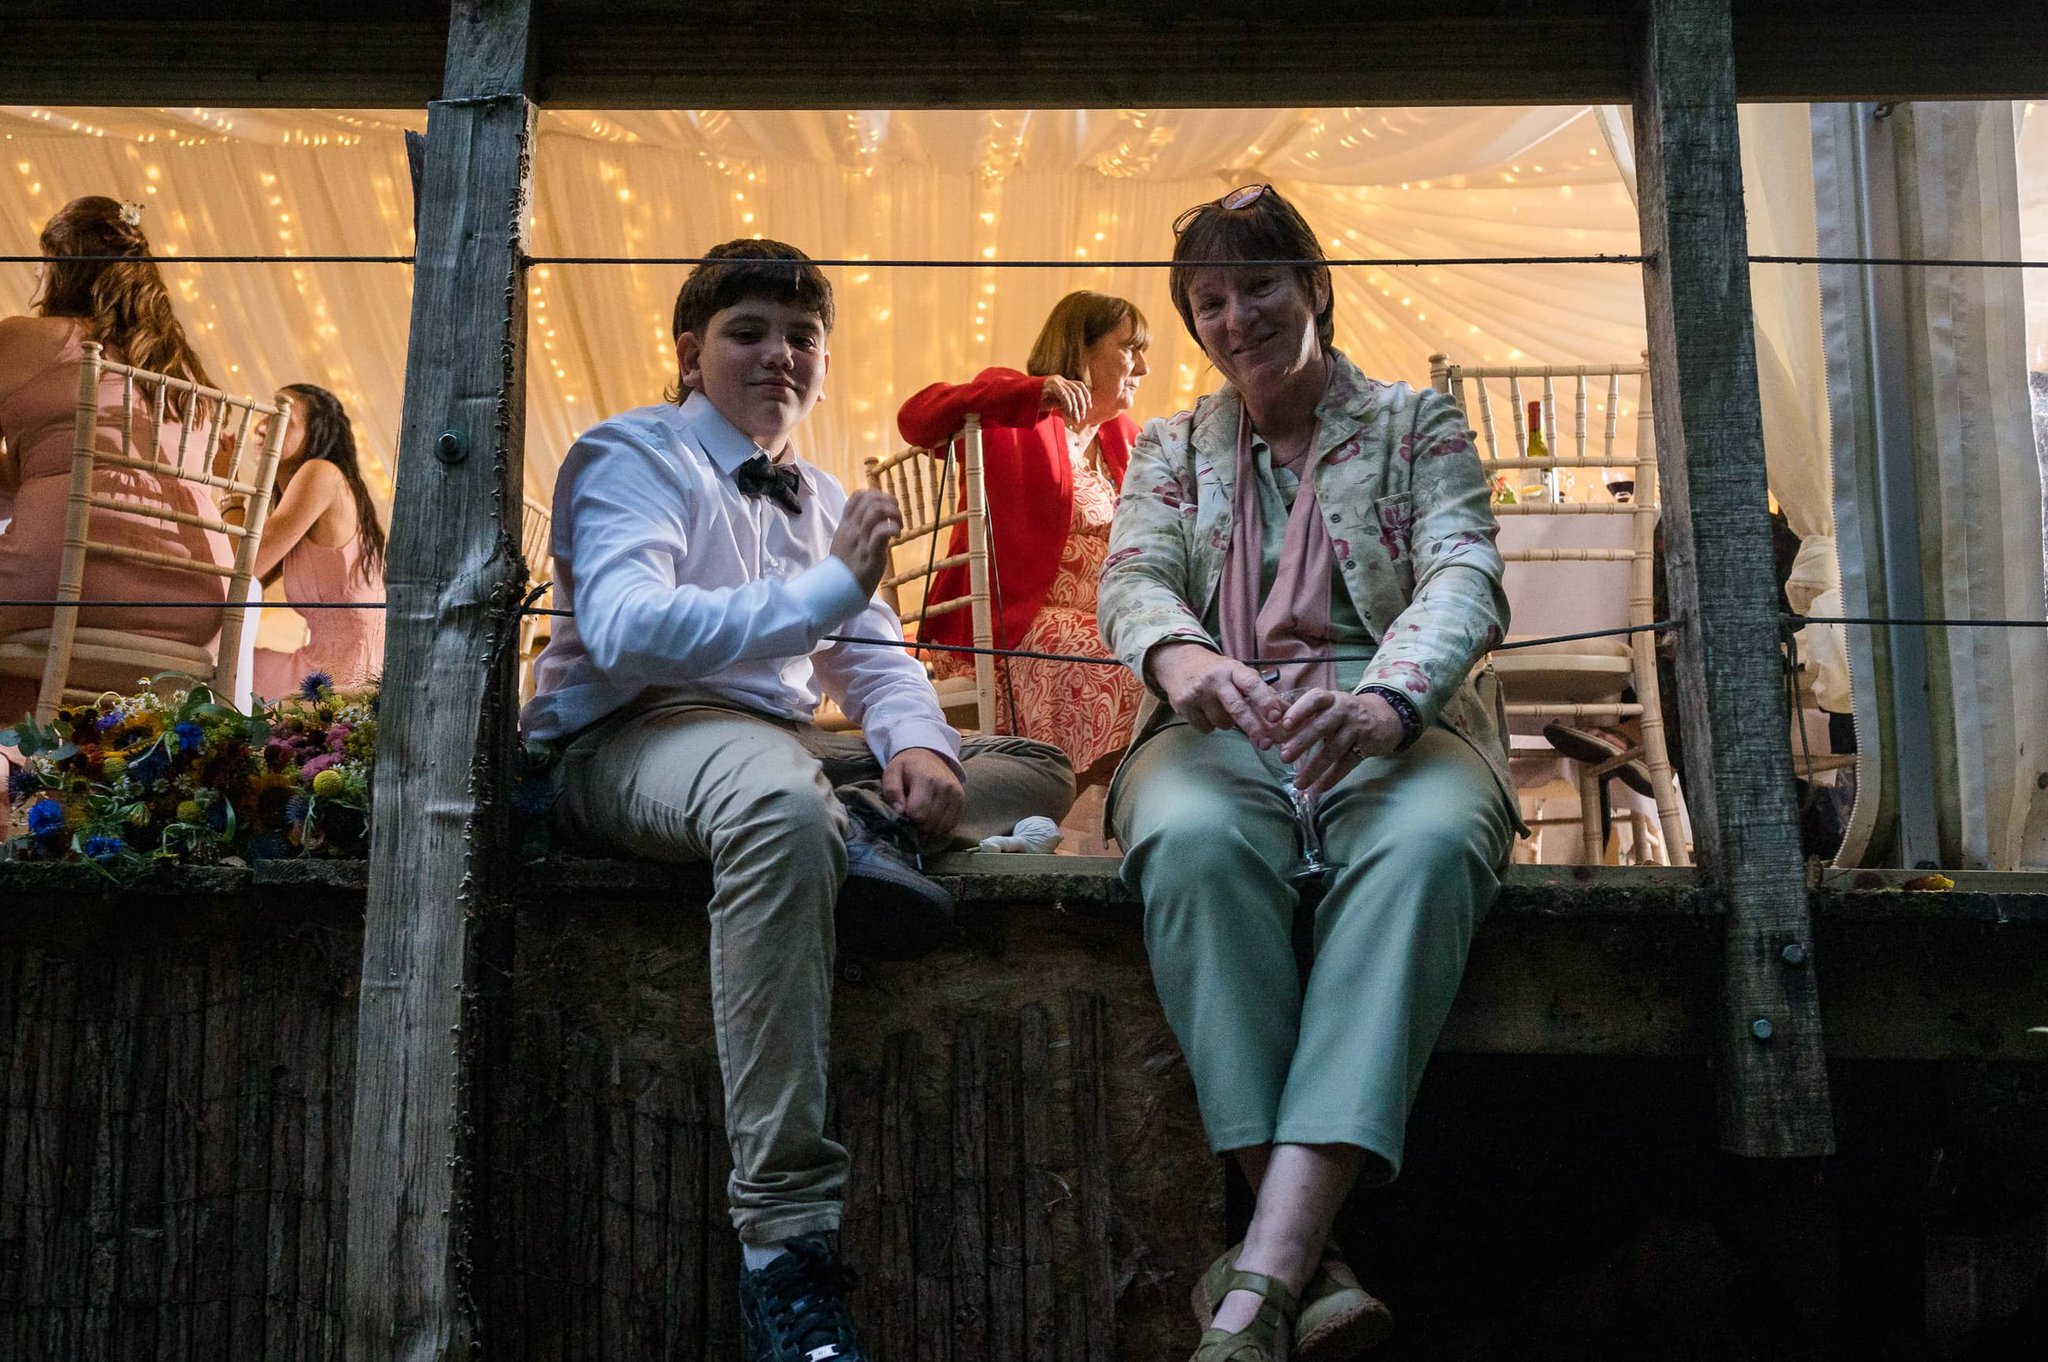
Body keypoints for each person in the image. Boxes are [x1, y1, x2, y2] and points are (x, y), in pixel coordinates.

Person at [519, 239, 1074, 1362]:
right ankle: (786, 1247)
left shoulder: (817, 492)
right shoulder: (630, 453)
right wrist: (829, 584)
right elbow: (627, 632)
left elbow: (868, 659)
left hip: (768, 745)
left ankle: (865, 826)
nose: (781, 354)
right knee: (775, 801)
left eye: (802, 337)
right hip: (628, 738)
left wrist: (921, 748)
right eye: (749, 332)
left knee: (1030, 761)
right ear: (690, 352)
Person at [1098, 186, 1519, 1362]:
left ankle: (1258, 1275)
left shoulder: (1412, 422)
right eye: (1209, 301)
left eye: (1260, 286)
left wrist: (1389, 699)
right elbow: (1130, 578)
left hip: (1393, 715)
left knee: (1428, 845)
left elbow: (1462, 573)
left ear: (1314, 287)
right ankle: (1311, 1262)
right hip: (1217, 714)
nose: (1237, 318)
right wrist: (1180, 658)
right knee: (1188, 840)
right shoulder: (1175, 445)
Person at [895, 291, 1149, 789]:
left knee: (1173, 653)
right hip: (1016, 622)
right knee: (1136, 665)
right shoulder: (1015, 402)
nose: (1141, 366)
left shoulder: (1125, 437)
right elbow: (915, 418)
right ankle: (1097, 810)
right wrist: (1034, 393)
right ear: (1081, 349)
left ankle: (1117, 812)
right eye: (1129, 349)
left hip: (1106, 619)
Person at [0, 196, 228, 724]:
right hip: (194, 599)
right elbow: (78, 464)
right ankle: (53, 783)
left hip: (68, 579)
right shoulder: (184, 372)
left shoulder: (24, 339)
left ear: (59, 263)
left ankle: (29, 777)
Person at [247, 384, 388, 696]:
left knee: (215, 671)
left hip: (340, 684)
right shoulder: (306, 499)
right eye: (267, 412)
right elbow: (248, 581)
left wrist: (227, 498)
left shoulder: (320, 473)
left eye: (282, 416)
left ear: (314, 435)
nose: (263, 423)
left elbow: (240, 567)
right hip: (328, 672)